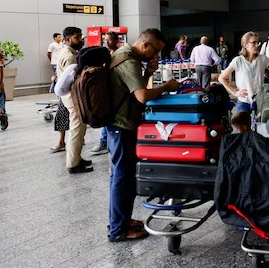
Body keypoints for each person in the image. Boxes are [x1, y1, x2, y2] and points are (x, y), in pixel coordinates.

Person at [106, 29, 179, 242]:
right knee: (121, 177)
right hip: (120, 126)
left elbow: (132, 88)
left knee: (124, 176)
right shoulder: (128, 60)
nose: (156, 55)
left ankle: (123, 220)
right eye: (155, 51)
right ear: (146, 44)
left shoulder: (128, 56)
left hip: (122, 124)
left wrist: (148, 72)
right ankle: (118, 230)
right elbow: (141, 96)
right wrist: (167, 86)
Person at [57, 27, 92, 173]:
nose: (81, 40)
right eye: (77, 37)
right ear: (67, 39)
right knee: (77, 130)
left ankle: (76, 157)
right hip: (73, 98)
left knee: (78, 129)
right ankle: (73, 164)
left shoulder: (69, 52)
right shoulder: (69, 56)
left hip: (69, 97)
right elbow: (75, 80)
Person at [219, 31, 269, 113]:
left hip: (260, 100)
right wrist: (235, 92)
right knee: (241, 125)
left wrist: (268, 88)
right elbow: (221, 78)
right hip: (244, 101)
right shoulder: (238, 60)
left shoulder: (263, 59)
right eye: (254, 43)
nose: (257, 45)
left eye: (258, 42)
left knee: (260, 125)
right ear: (245, 45)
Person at [89, 31, 120, 156]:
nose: (106, 43)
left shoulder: (119, 55)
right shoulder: (104, 55)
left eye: (110, 40)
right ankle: (104, 142)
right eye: (105, 40)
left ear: (116, 41)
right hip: (105, 90)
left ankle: (104, 142)